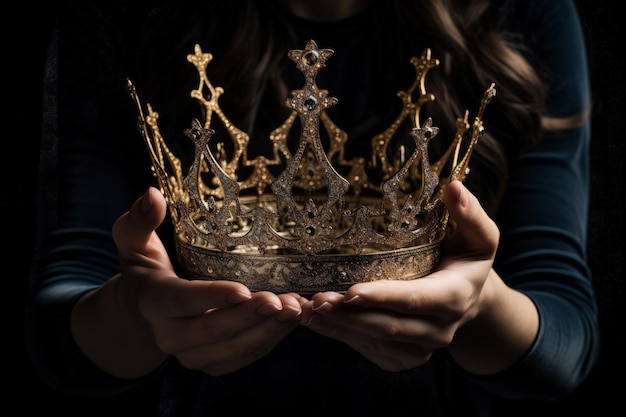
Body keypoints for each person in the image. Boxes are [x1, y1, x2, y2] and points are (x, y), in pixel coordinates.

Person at [25, 0, 600, 415]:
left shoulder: (518, 12)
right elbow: (56, 337)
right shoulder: (116, 12)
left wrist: (479, 309)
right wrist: (133, 311)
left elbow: (565, 341)